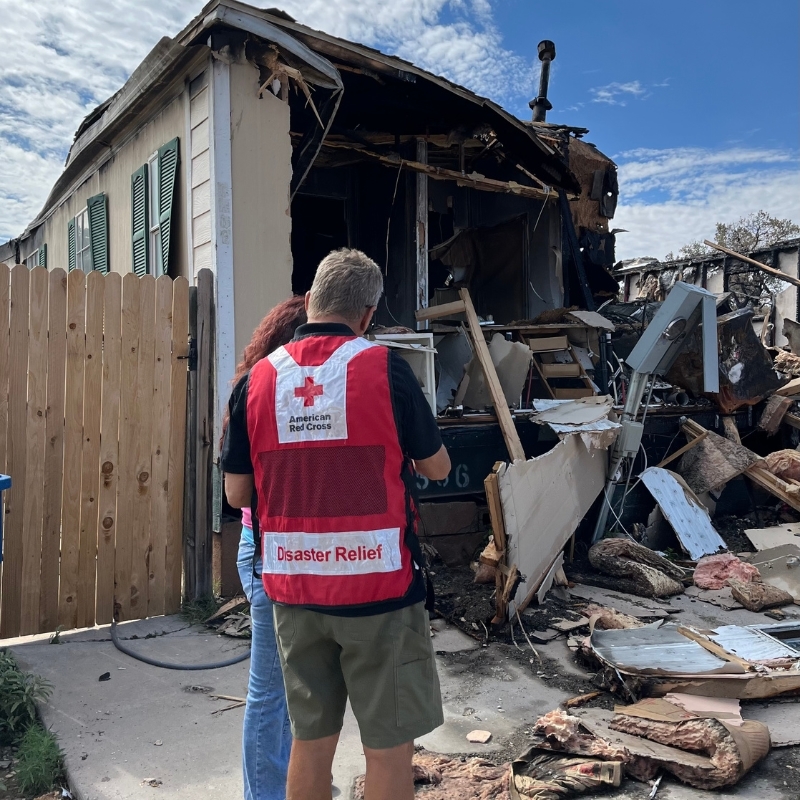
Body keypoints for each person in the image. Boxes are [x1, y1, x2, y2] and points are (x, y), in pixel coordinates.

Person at [223, 248, 450, 800]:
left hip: (295, 591)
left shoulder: (256, 382)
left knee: (310, 740)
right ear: (367, 313)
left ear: (313, 301)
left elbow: (236, 494)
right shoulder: (386, 369)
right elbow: (438, 467)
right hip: (380, 592)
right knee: (388, 747)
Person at [222, 296, 307, 800]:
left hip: (288, 548)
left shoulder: (269, 388)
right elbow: (237, 494)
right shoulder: (258, 394)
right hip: (266, 547)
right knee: (271, 691)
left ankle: (291, 783)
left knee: (295, 692)